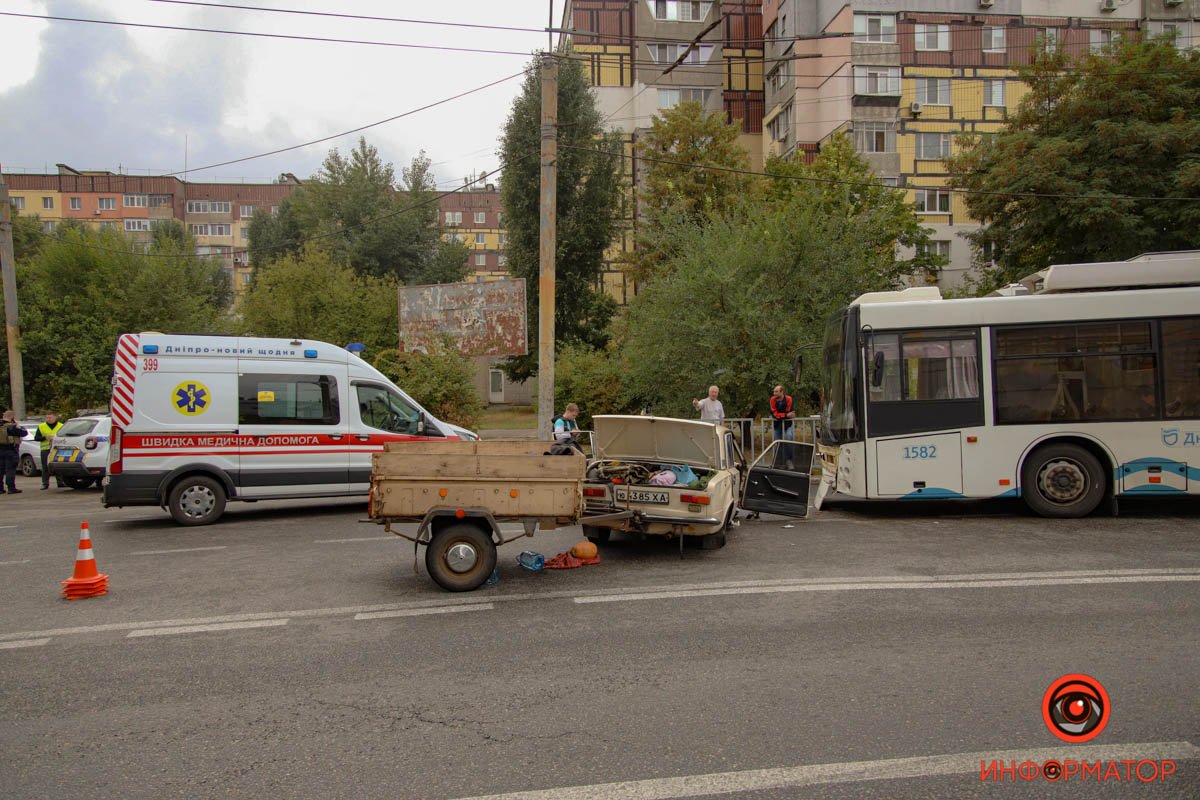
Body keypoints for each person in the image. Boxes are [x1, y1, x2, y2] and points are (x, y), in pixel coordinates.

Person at [35, 411, 65, 489]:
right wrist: (45, 437)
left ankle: (60, 482)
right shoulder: (41, 426)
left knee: (58, 466)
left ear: (55, 417)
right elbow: (36, 438)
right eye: (47, 417)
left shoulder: (61, 426)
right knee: (45, 467)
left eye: (50, 417)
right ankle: (45, 483)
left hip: (57, 450)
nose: (48, 419)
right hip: (46, 449)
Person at [0, 410, 26, 494]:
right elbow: (24, 433)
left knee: (0, 470)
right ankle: (11, 488)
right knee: (10, 470)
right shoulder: (12, 427)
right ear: (12, 417)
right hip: (10, 450)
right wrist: (18, 425)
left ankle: (0, 489)